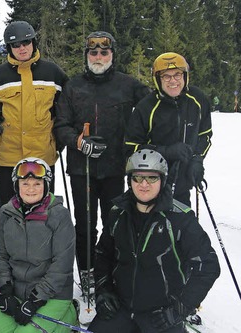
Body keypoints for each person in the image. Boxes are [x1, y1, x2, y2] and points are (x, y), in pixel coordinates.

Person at [54, 31, 149, 294]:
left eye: (104, 52)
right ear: (86, 56)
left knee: (114, 223)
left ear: (112, 55)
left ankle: (111, 271)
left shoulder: (127, 84)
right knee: (84, 225)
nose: (98, 57)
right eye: (93, 52)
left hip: (115, 168)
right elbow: (60, 125)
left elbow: (152, 108)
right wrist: (77, 142)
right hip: (81, 168)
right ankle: (86, 271)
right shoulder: (73, 86)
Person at [90, 149, 220, 332]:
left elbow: (208, 265)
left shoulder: (179, 219)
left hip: (161, 316)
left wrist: (180, 308)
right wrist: (103, 290)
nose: (144, 184)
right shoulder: (117, 213)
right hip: (122, 308)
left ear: (163, 180)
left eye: (152, 178)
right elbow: (103, 254)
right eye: (137, 177)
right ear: (129, 180)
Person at [0, 20, 68, 208]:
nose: (22, 48)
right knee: (8, 210)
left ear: (34, 43)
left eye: (26, 42)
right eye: (16, 45)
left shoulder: (52, 72)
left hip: (42, 155)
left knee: (42, 211)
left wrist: (61, 135)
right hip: (8, 156)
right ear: (9, 47)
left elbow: (68, 107)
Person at [0, 157, 77, 333]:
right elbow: (0, 255)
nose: (31, 189)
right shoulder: (6, 213)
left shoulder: (59, 215)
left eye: (37, 184)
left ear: (46, 185)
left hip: (52, 294)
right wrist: (6, 290)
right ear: (17, 185)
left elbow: (62, 265)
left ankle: (69, 313)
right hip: (17, 292)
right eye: (25, 183)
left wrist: (36, 300)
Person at [125, 52, 212, 207]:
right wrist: (166, 151)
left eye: (177, 75)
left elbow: (204, 135)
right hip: (150, 186)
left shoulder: (197, 100)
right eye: (166, 76)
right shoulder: (146, 107)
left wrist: (197, 160)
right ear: (158, 79)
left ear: (185, 76)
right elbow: (131, 147)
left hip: (183, 183)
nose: (173, 81)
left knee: (182, 228)